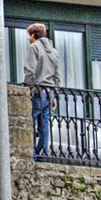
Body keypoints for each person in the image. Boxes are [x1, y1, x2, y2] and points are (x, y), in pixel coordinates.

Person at [23, 22, 60, 162]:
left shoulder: (34, 48)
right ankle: (42, 154)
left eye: (28, 35)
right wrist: (55, 95)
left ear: (33, 34)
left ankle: (31, 154)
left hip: (38, 90)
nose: (27, 38)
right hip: (50, 91)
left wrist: (26, 87)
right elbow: (57, 76)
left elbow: (30, 70)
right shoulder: (54, 51)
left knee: (30, 120)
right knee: (44, 124)